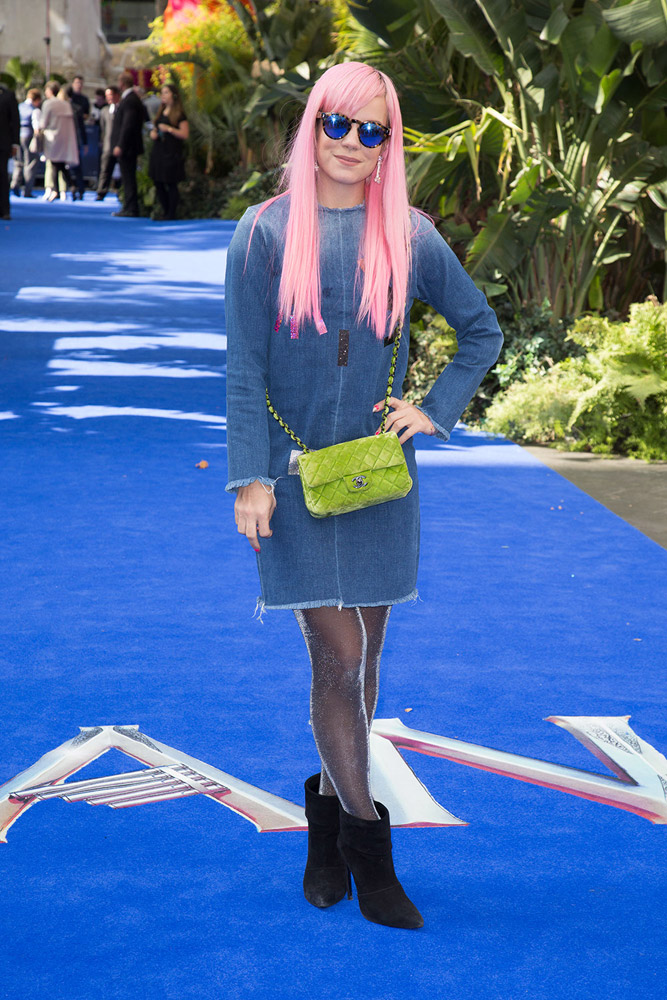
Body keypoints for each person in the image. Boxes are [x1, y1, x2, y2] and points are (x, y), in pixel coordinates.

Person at [224, 62, 504, 929]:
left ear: (389, 145)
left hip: (380, 480)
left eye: (371, 130)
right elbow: (243, 368)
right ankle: (366, 846)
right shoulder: (264, 232)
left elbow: (481, 331)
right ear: (312, 127)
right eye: (337, 124)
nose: (351, 142)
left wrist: (435, 408)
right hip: (294, 483)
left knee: (367, 665)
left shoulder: (409, 236)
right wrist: (250, 477)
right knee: (337, 661)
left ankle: (323, 815)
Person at [148, 84, 189, 221]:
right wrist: (154, 133)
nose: (163, 95)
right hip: (159, 151)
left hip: (172, 152)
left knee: (171, 182)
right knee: (158, 182)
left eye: (166, 92)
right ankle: (165, 210)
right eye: (162, 92)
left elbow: (185, 134)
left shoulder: (179, 115)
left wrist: (169, 129)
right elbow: (155, 128)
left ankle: (171, 213)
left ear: (174, 95)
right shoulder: (161, 112)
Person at [110, 71, 148, 218]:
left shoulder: (130, 100)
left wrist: (120, 145)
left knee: (128, 177)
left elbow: (128, 125)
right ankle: (129, 206)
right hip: (129, 146)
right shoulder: (131, 99)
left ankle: (131, 208)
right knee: (127, 177)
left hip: (128, 147)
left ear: (122, 83)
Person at [39, 83, 79, 202]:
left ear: (49, 91)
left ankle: (57, 189)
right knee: (60, 165)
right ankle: (70, 186)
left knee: (55, 164)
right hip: (65, 139)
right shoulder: (66, 104)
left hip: (52, 139)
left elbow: (43, 122)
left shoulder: (48, 104)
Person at [10, 88, 41, 198]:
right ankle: (27, 189)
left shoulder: (20, 106)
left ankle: (14, 184)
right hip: (29, 135)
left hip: (18, 135)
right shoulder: (34, 110)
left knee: (18, 162)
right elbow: (36, 126)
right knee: (30, 163)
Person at [96, 85, 120, 201]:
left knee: (122, 171)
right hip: (107, 145)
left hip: (120, 145)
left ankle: (121, 192)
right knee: (105, 170)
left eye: (110, 95)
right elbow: (103, 128)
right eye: (107, 96)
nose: (108, 98)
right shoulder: (104, 111)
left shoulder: (122, 109)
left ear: (116, 95)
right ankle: (101, 192)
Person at [0, 81, 19, 219]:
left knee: (2, 176)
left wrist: (15, 143)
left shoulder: (8, 95)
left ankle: (4, 210)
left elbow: (15, 120)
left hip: (3, 144)